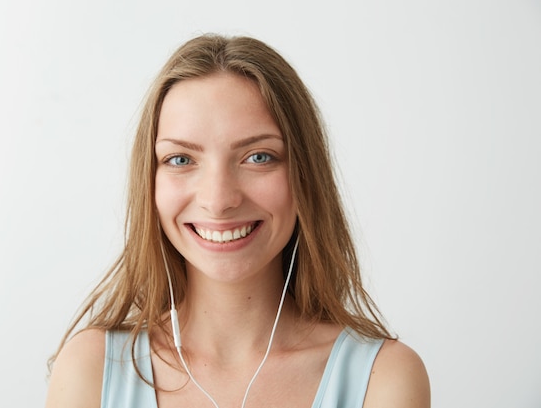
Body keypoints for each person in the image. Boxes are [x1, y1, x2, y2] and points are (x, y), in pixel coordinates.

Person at [45, 34, 430, 408]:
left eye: (258, 157)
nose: (218, 200)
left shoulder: (383, 377)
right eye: (181, 159)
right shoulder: (92, 370)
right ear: (151, 183)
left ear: (305, 175)